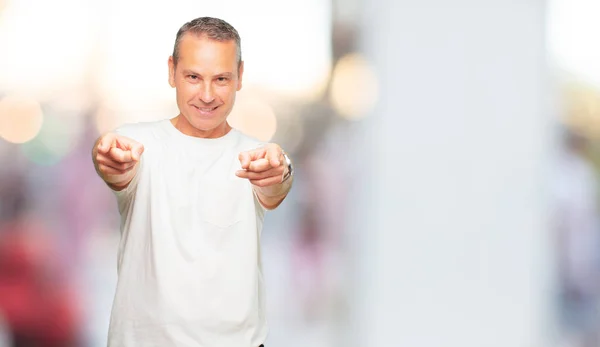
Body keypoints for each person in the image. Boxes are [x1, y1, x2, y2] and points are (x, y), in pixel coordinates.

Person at [91, 17, 293, 347]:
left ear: (240, 76)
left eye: (222, 79)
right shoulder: (136, 144)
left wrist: (283, 169)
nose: (208, 95)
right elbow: (112, 163)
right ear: (172, 71)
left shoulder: (256, 157)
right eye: (194, 77)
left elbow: (276, 183)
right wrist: (107, 156)